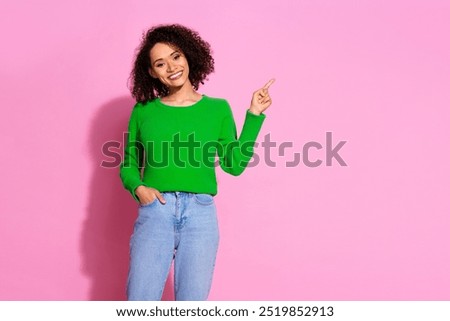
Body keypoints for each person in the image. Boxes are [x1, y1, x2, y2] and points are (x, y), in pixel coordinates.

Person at [119, 23, 274, 301]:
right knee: (139, 303)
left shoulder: (217, 109)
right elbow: (129, 162)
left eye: (176, 56)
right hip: (156, 211)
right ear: (152, 72)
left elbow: (234, 164)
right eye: (160, 63)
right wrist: (139, 189)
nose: (171, 67)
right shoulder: (144, 112)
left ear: (189, 55)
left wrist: (253, 115)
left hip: (200, 216)